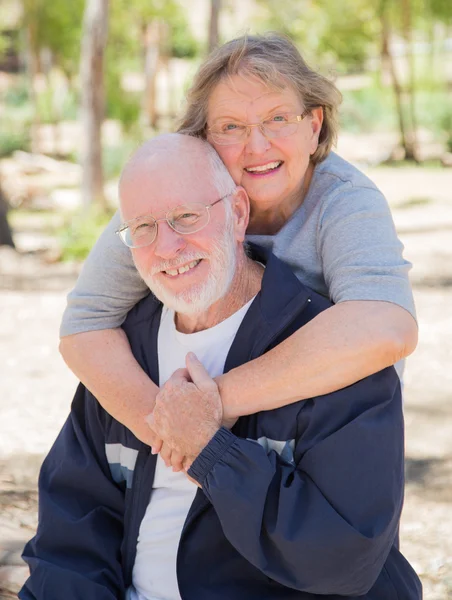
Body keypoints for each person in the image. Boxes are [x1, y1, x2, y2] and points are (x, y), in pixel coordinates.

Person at [21, 134, 421, 600]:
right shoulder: (125, 356)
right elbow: (70, 538)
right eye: (143, 228)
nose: (167, 247)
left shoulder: (333, 354)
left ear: (237, 214)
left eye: (187, 217)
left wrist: (213, 453)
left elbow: (343, 562)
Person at [59, 33, 418, 459]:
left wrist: (212, 404)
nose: (258, 146)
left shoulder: (345, 202)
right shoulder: (172, 203)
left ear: (314, 125)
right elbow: (84, 323)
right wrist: (167, 430)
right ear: (203, 138)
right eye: (231, 127)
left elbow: (388, 325)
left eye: (279, 118)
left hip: (324, 441)